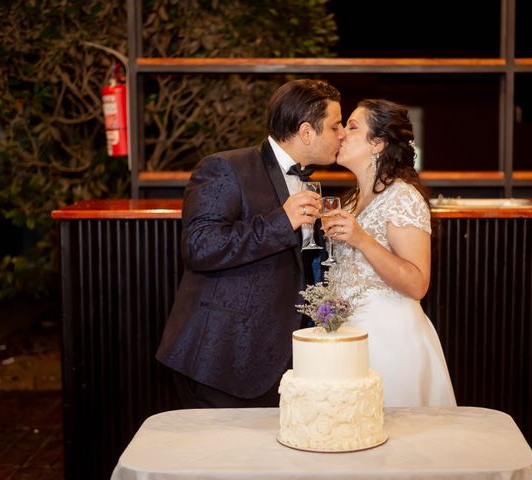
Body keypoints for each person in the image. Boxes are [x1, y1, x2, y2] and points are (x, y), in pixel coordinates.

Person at [156, 79, 345, 408]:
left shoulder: (309, 182)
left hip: (274, 359)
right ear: (306, 132)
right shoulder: (225, 168)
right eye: (335, 125)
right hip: (221, 359)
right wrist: (281, 222)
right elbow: (199, 247)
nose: (342, 133)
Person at [323, 99, 456, 407]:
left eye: (352, 127)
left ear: (378, 143)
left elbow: (417, 284)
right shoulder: (351, 200)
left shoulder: (403, 198)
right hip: (347, 339)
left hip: (390, 342)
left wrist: (362, 239)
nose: (341, 133)